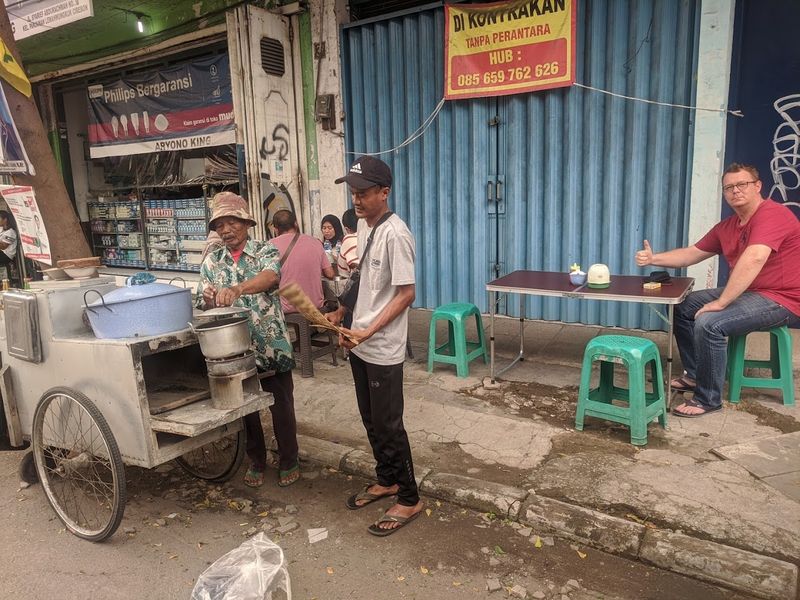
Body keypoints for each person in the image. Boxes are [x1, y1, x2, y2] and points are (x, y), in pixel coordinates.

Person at [635, 163, 800, 418]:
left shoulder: (772, 215)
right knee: (683, 306)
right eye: (729, 187)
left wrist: (722, 302)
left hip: (783, 298)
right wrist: (653, 258)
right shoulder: (728, 227)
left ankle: (708, 398)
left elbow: (754, 258)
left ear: (758, 186)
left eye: (742, 184)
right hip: (752, 292)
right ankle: (694, 373)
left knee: (710, 322)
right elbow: (691, 254)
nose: (736, 191)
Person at [327, 155, 423, 536]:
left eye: (364, 193)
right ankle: (388, 479)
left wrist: (369, 331)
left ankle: (411, 497)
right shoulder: (365, 229)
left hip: (381, 346)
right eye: (354, 193)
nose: (357, 200)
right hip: (359, 340)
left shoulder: (396, 234)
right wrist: (342, 312)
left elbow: (406, 294)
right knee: (370, 419)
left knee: (389, 424)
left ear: (384, 192)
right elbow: (359, 277)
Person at [196, 192, 300, 488]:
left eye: (232, 223)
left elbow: (271, 278)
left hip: (271, 344)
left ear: (245, 223)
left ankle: (289, 457)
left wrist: (238, 288)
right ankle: (256, 458)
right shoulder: (212, 262)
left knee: (281, 406)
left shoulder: (265, 251)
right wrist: (207, 298)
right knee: (246, 408)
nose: (226, 230)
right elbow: (201, 298)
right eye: (220, 225)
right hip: (233, 350)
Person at [271, 209, 336, 313]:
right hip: (315, 308)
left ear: (275, 229)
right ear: (296, 224)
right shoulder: (316, 243)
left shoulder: (269, 246)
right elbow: (330, 273)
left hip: (286, 311)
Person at [337, 208, 359, 278]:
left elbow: (355, 264)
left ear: (346, 229)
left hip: (352, 283)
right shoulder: (367, 236)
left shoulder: (349, 239)